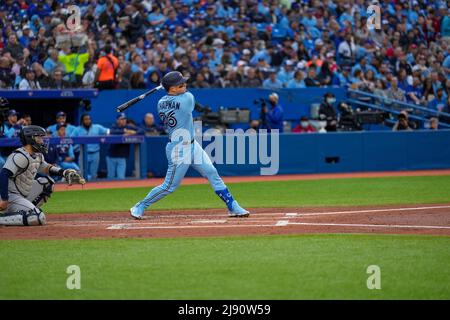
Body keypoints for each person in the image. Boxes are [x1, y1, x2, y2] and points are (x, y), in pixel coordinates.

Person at [129, 71, 249, 219]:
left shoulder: (161, 102)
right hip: (178, 149)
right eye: (181, 84)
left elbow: (174, 95)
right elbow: (187, 97)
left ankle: (233, 206)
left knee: (212, 172)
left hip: (193, 145)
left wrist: (170, 85)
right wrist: (169, 85)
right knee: (169, 186)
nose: (185, 85)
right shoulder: (186, 99)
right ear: (172, 89)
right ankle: (140, 205)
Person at [0, 126, 85, 226]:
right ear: (30, 138)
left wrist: (64, 173)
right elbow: (3, 174)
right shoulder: (19, 156)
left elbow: (46, 167)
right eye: (39, 137)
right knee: (38, 218)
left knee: (47, 183)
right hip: (10, 196)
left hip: (21, 194)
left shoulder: (37, 155)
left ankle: (26, 210)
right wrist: (4, 199)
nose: (42, 140)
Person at [72, 114, 110, 181]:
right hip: (83, 154)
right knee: (82, 174)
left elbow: (108, 131)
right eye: (85, 119)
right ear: (82, 121)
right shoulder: (77, 129)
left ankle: (92, 189)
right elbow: (70, 140)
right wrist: (76, 148)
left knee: (93, 174)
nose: (88, 121)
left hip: (95, 153)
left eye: (89, 119)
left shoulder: (97, 127)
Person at [106, 113, 143, 179]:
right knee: (110, 177)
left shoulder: (129, 127)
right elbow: (111, 132)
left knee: (121, 178)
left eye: (124, 119)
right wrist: (124, 131)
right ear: (117, 120)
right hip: (111, 156)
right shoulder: (114, 126)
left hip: (122, 156)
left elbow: (141, 130)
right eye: (121, 119)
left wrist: (133, 133)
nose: (123, 121)